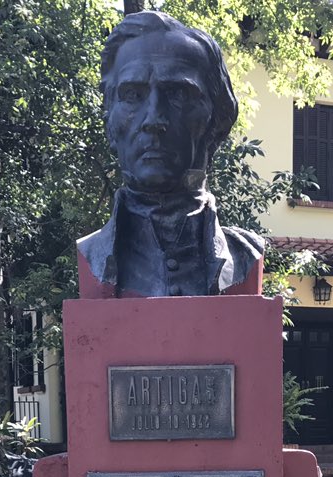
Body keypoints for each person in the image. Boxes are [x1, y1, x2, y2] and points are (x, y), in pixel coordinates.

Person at [77, 11, 264, 299]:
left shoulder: (246, 256)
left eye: (178, 95)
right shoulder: (91, 256)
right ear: (110, 124)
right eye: (132, 95)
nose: (153, 119)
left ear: (217, 121)